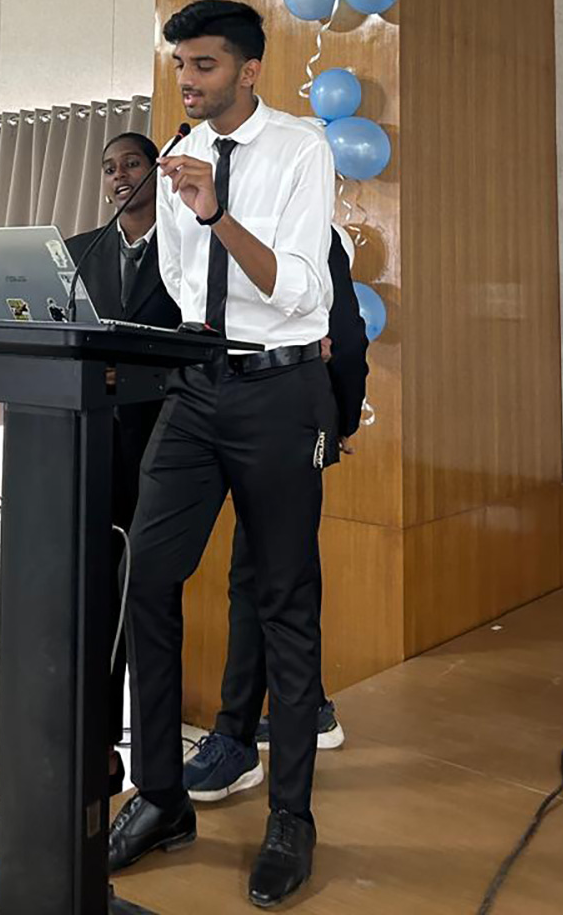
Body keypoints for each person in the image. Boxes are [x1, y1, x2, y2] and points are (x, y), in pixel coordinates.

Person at [110, 0, 337, 909]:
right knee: (146, 575)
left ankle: (291, 818)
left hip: (281, 391)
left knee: (284, 598)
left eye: (203, 65)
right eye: (179, 66)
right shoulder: (179, 153)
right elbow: (177, 280)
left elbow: (299, 290)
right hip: (196, 389)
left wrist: (216, 213)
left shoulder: (301, 149)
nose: (187, 81)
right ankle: (162, 795)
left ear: (248, 70)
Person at [182, 224, 369, 803]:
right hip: (222, 414)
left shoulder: (310, 231)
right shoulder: (202, 233)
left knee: (268, 578)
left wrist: (339, 420)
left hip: (289, 419)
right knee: (264, 576)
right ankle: (301, 711)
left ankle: (241, 738)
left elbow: (347, 335)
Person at [66, 131, 181, 798]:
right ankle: (102, 746)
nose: (119, 175)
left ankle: (158, 764)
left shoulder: (189, 247)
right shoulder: (79, 252)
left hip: (168, 443)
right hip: (95, 446)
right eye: (109, 167)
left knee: (149, 596)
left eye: (132, 163)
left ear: (155, 172)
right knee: (99, 597)